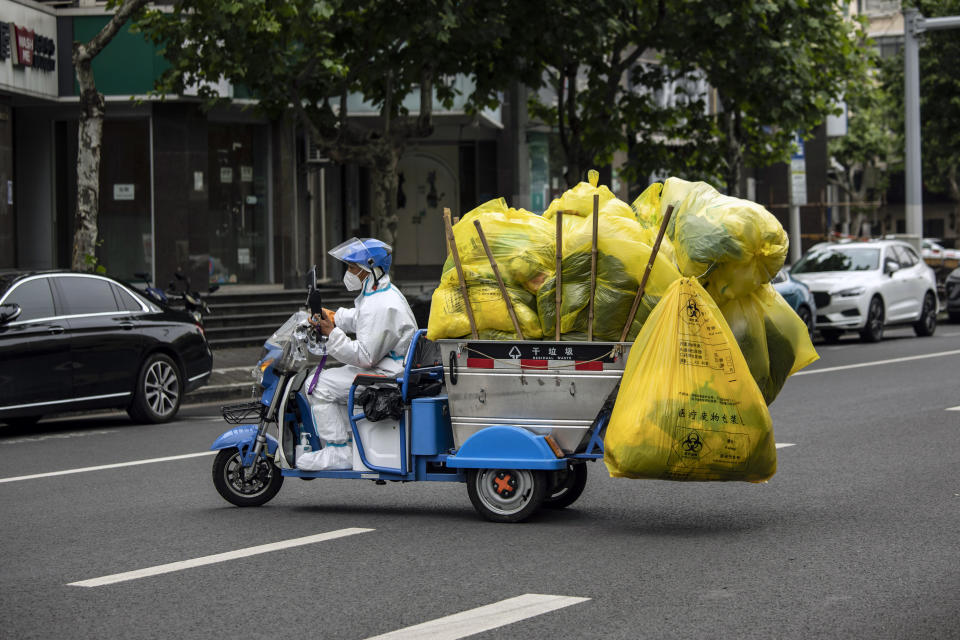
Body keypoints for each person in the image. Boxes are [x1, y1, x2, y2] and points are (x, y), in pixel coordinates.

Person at [295, 237, 418, 471]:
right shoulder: (380, 292)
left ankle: (338, 450)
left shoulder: (382, 304)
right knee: (330, 381)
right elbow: (361, 318)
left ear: (369, 269)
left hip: (385, 374)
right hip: (388, 367)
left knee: (317, 385)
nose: (348, 273)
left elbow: (364, 356)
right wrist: (333, 316)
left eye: (353, 268)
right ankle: (349, 444)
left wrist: (332, 334)